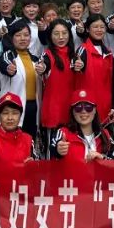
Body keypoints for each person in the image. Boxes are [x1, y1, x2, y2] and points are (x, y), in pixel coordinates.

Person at [72, 13, 114, 126]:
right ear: (88, 29)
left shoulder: (108, 53)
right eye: (95, 27)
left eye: (102, 27)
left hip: (106, 111)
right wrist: (76, 66)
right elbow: (75, 65)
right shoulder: (82, 50)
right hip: (86, 110)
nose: (99, 30)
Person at [0, 18, 44, 139]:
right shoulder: (8, 55)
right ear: (12, 38)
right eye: (18, 35)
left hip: (33, 107)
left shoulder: (35, 59)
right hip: (13, 107)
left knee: (30, 140)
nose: (23, 38)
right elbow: (5, 64)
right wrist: (9, 68)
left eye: (26, 35)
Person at [40, 19, 77, 155]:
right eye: (56, 34)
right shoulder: (48, 55)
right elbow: (43, 65)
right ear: (50, 36)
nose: (61, 37)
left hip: (72, 112)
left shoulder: (75, 55)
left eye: (64, 33)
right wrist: (41, 68)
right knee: (52, 153)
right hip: (54, 113)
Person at [52, 89, 114, 161]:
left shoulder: (105, 135)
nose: (83, 111)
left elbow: (113, 162)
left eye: (88, 107)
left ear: (95, 110)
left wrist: (101, 158)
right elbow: (52, 150)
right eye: (78, 107)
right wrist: (58, 150)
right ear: (72, 111)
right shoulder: (63, 133)